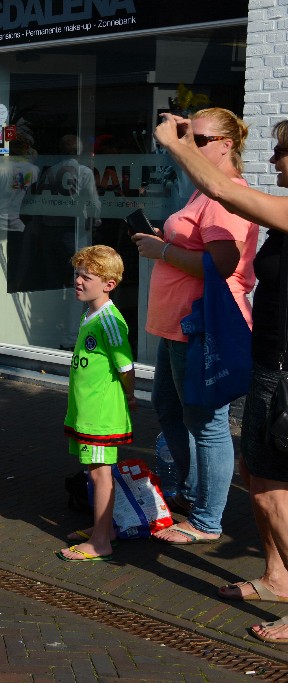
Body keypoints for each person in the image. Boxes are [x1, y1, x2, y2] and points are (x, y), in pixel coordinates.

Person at [155, 115, 288, 643]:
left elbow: (220, 191)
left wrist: (176, 143)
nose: (274, 159)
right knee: (260, 484)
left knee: (275, 490)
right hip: (269, 361)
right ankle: (277, 577)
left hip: (284, 370)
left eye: (281, 151)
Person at [133, 107, 259, 545]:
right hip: (178, 325)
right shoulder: (203, 192)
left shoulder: (226, 197)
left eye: (200, 140)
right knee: (170, 409)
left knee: (207, 423)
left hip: (200, 326)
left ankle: (208, 518)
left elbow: (222, 263)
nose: (191, 146)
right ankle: (193, 492)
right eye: (190, 138)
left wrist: (161, 250)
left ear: (228, 145)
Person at [57, 245, 135, 562]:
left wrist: (128, 397)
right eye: (77, 274)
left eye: (86, 277)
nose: (78, 281)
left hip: (101, 415)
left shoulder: (110, 322)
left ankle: (102, 541)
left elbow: (126, 366)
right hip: (86, 412)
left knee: (102, 473)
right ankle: (103, 527)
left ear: (108, 284)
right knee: (92, 471)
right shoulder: (91, 314)